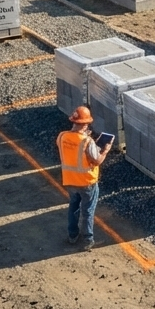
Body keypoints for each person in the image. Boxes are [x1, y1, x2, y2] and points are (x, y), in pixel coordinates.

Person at [58, 105, 111, 251]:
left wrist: (84, 135)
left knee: (73, 207)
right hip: (87, 182)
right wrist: (105, 151)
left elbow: (72, 148)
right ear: (86, 124)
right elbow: (97, 160)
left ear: (73, 121)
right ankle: (88, 239)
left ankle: (72, 235)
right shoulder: (88, 142)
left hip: (69, 180)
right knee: (87, 210)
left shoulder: (62, 136)